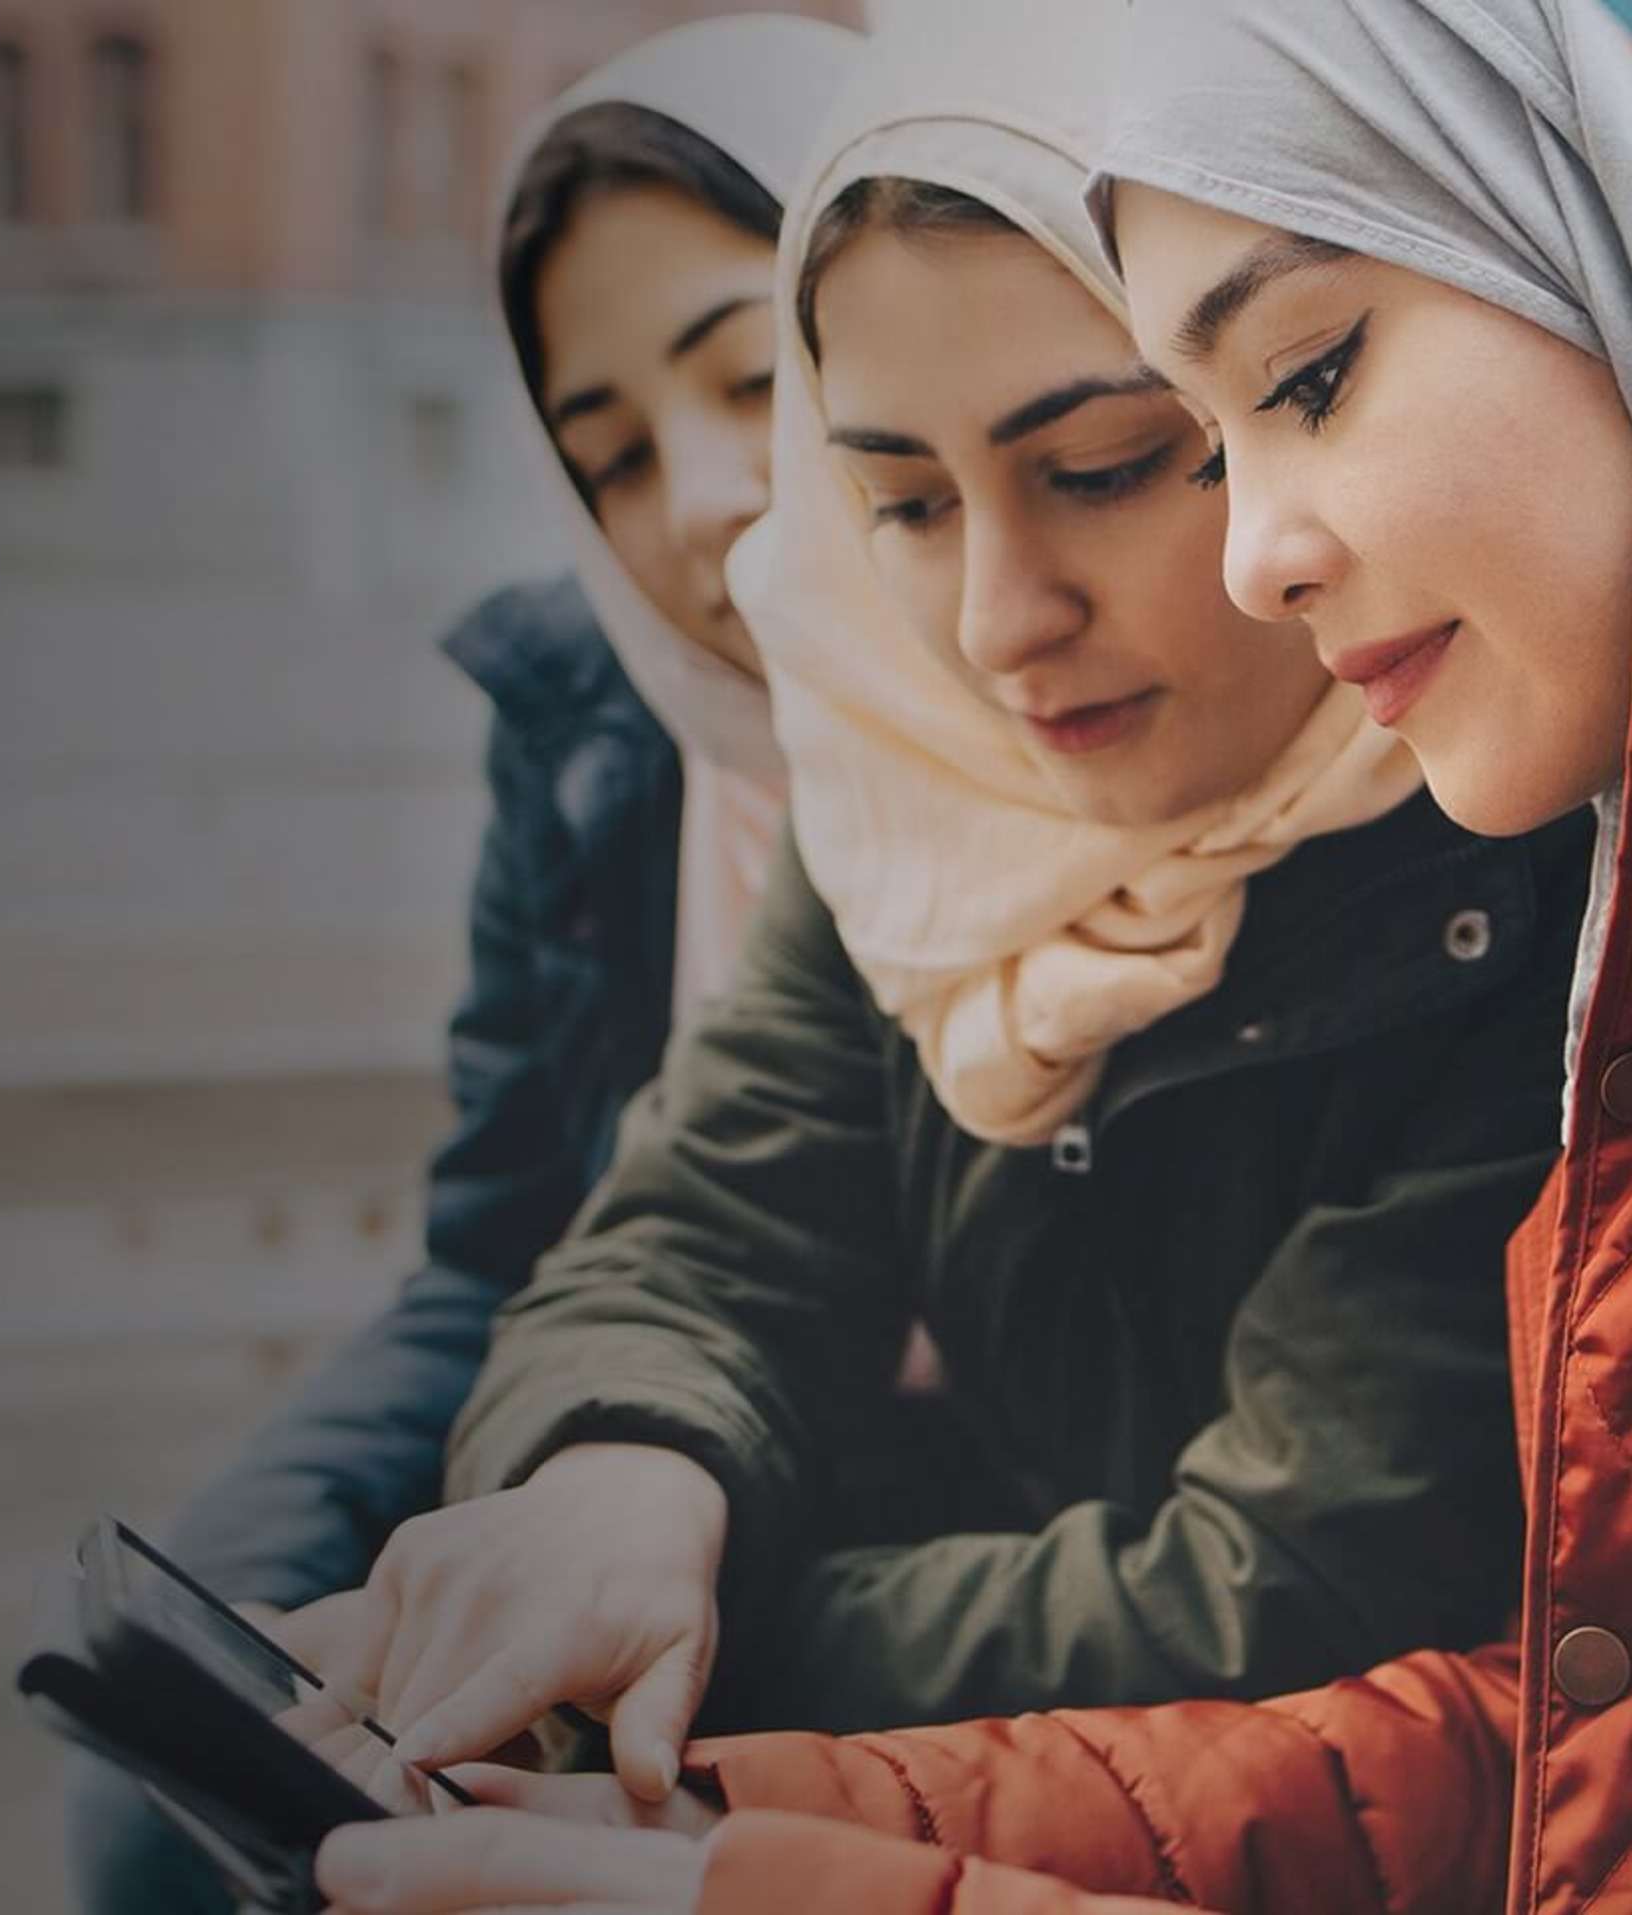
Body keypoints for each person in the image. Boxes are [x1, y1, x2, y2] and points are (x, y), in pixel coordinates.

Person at [318, 2, 1632, 1910]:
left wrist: (691, 1662)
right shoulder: (921, 806)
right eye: (904, 508)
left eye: (1111, 458)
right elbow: (697, 1232)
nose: (1003, 623)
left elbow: (1315, 1586)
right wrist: (621, 1488)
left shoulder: (1518, 839)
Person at [64, 17, 859, 1912]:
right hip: (604, 1405)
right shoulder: (587, 713)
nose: (697, 505)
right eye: (607, 457)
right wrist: (272, 1556)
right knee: (181, 1753)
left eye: (752, 378)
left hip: (845, 1514)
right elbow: (505, 1237)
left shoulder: (1101, 724)